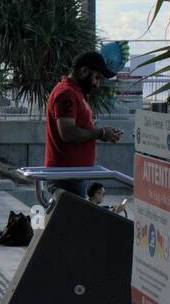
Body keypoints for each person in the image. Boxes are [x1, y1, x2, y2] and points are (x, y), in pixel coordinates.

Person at [44, 51, 122, 199]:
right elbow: (68, 133)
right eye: (97, 78)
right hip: (67, 177)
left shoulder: (76, 93)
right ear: (84, 71)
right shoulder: (66, 93)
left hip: (75, 175)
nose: (97, 84)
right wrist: (101, 133)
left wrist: (104, 133)